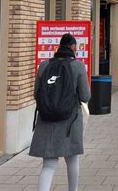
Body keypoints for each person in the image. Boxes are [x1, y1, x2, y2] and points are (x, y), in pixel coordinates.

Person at [30, 33, 91, 191]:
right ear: (72, 47)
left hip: (47, 120)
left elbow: (36, 93)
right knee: (72, 160)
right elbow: (85, 96)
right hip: (70, 121)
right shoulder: (77, 66)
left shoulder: (44, 65)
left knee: (49, 165)